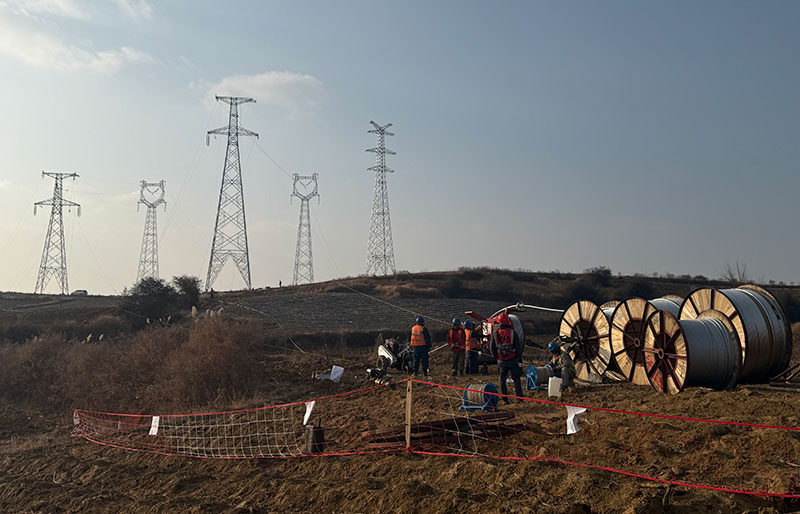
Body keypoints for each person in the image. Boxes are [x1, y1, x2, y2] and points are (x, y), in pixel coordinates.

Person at [490, 313, 524, 403]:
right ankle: (519, 398)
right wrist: (517, 357)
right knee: (516, 379)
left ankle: (505, 399)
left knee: (502, 380)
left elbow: (492, 348)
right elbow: (518, 347)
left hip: (501, 361)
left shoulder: (495, 334)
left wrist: (497, 357)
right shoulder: (513, 332)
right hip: (513, 360)